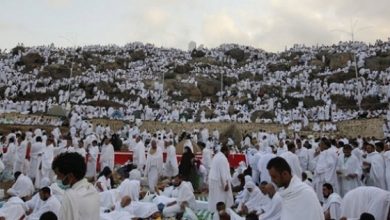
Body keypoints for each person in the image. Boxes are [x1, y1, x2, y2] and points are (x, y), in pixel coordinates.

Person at [52, 152, 99, 220]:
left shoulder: (70, 196)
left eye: (59, 175)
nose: (57, 179)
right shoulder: (93, 190)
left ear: (70, 176)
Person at [208, 146, 233, 212]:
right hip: (217, 180)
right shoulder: (222, 158)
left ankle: (213, 210)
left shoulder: (217, 155)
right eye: (228, 151)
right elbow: (223, 172)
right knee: (220, 197)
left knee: (214, 197)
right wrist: (225, 184)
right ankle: (220, 212)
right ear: (225, 151)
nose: (229, 153)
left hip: (213, 179)